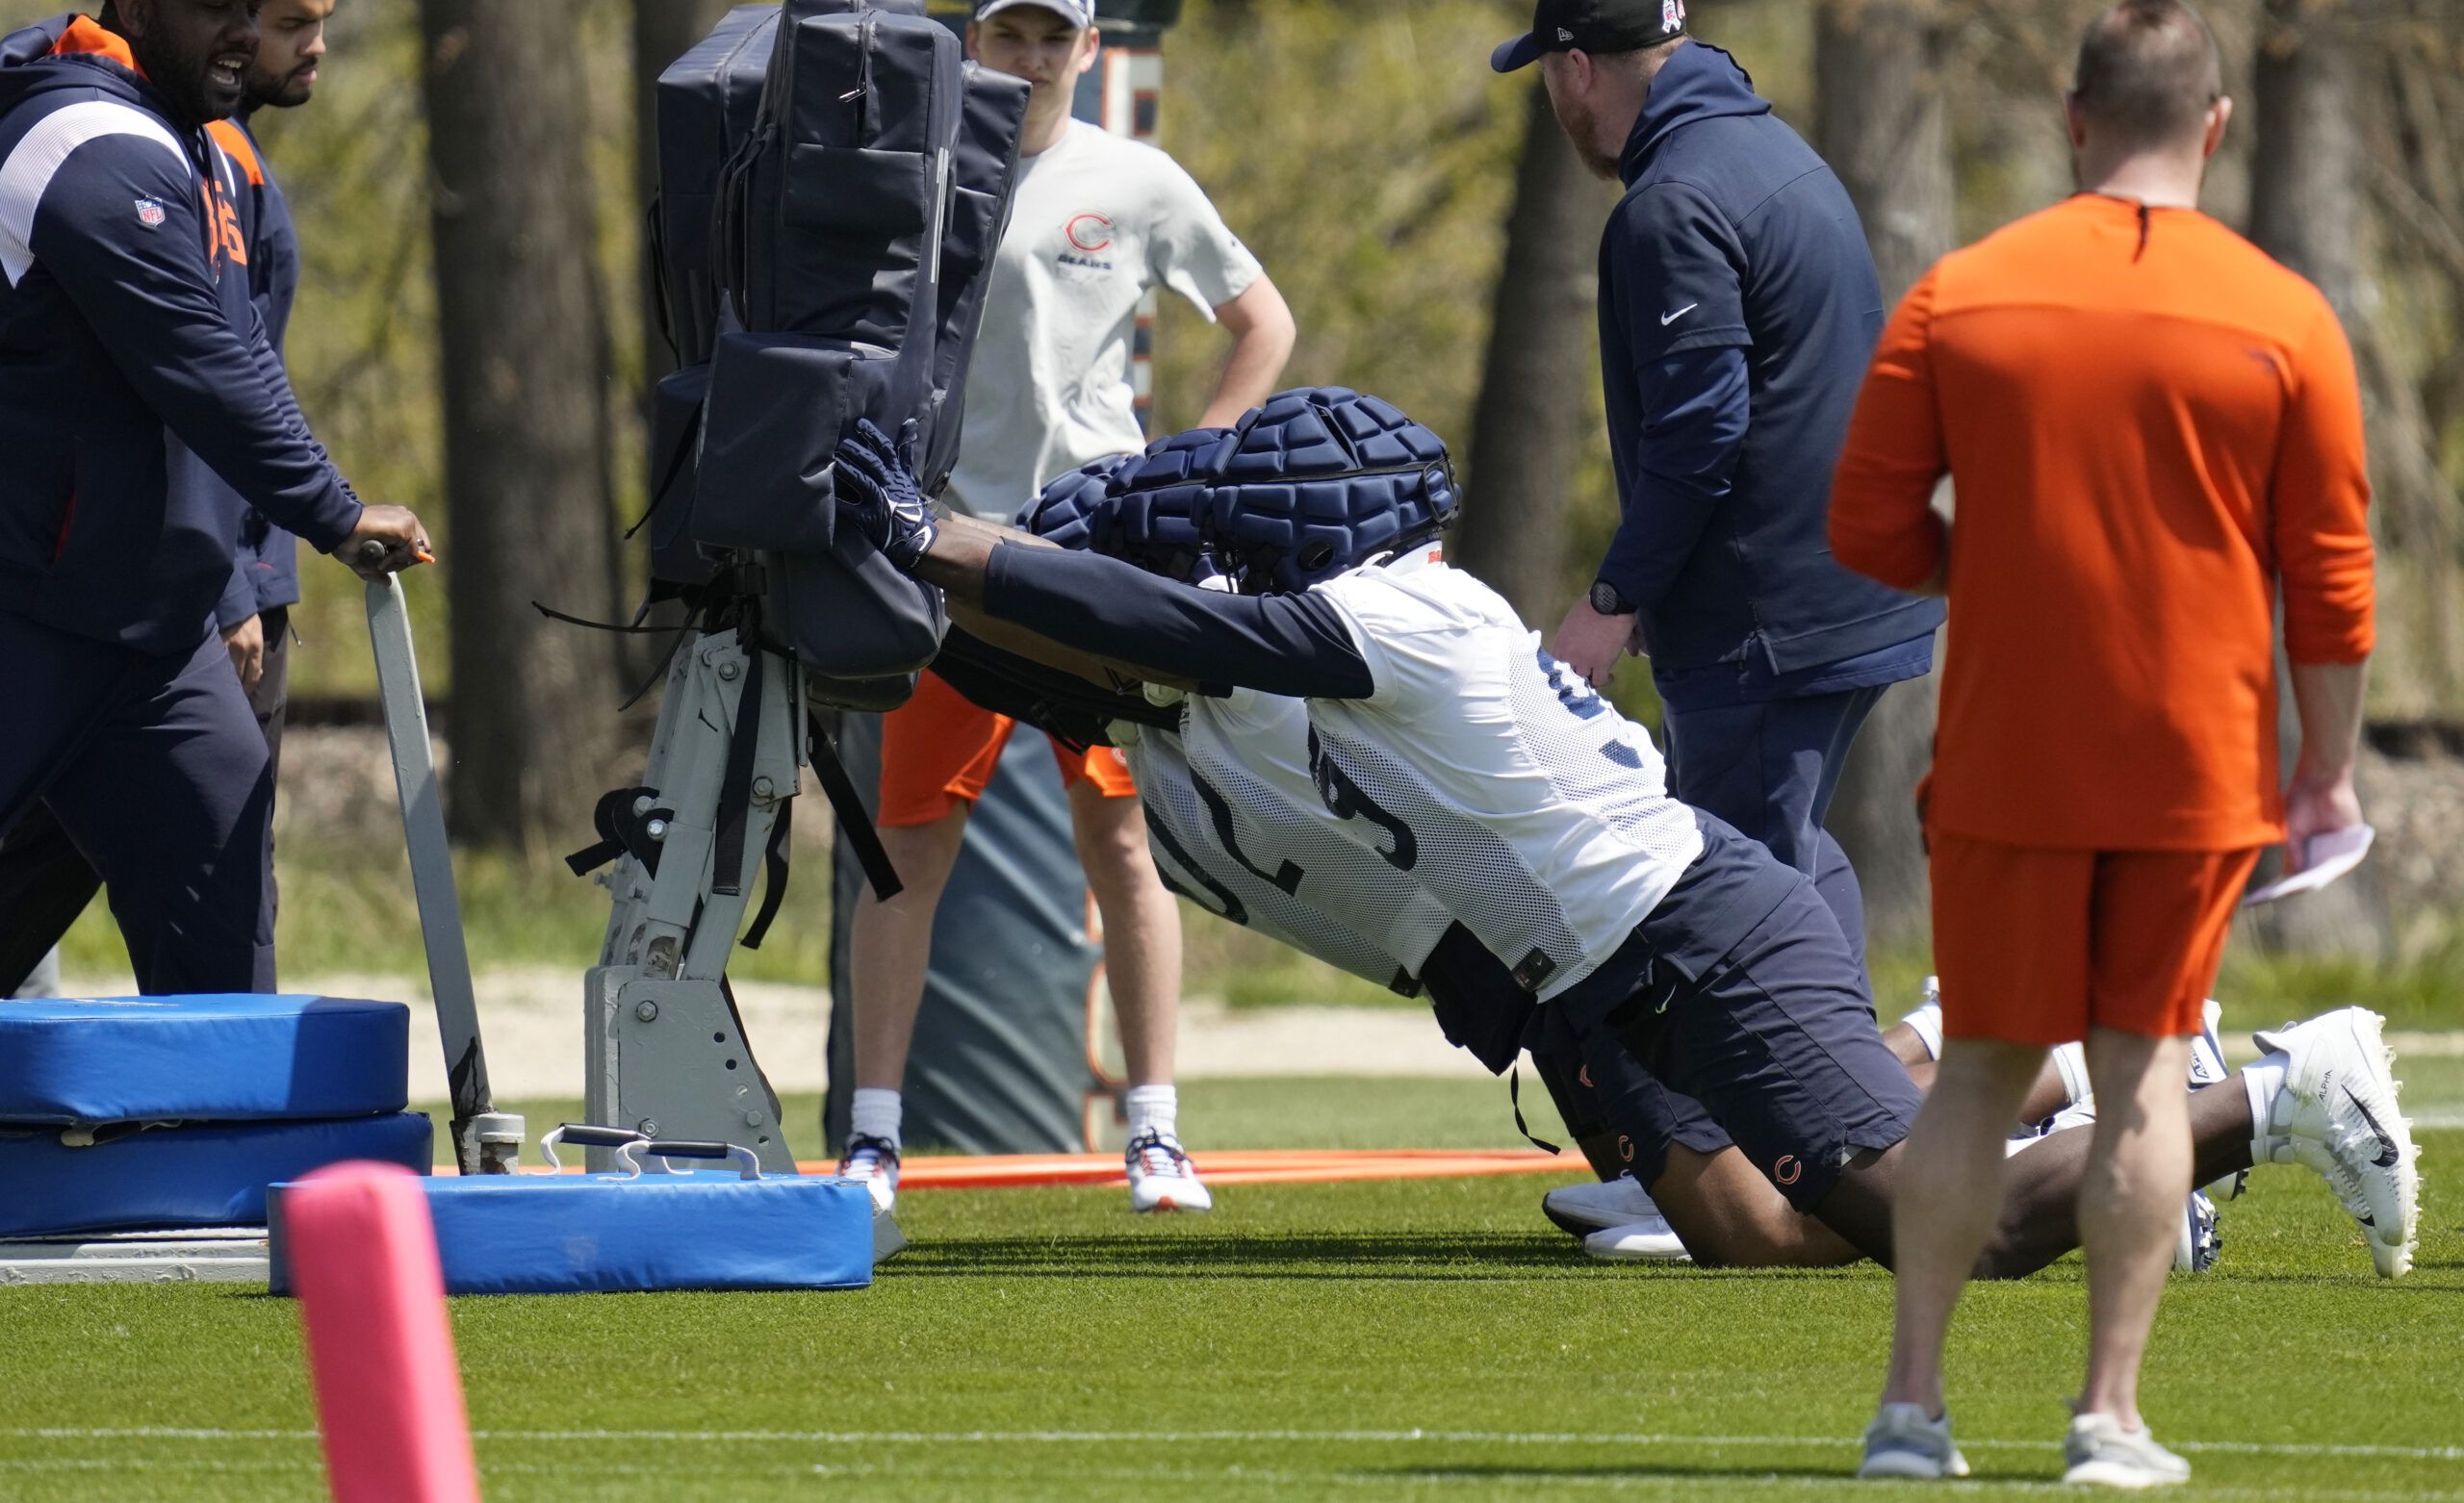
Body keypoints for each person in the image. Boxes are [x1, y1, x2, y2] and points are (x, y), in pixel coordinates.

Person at [830, 388, 2413, 1297]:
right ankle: (2035, 1053)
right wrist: (846, 563)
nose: (1228, 531)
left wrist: (930, 532)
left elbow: (1134, 616)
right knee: (1753, 1234)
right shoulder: (1270, 650)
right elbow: (1035, 649)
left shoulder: (1400, 614)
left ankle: (2275, 1091)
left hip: (1691, 933)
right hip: (1609, 971)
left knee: (1959, 1228)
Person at [1828, 0, 2400, 1487]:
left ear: (2078, 120)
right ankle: (2108, 1418)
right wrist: (2325, 769)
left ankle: (1910, 1407)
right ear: (2215, 126)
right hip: (2190, 760)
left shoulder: (1963, 291)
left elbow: (1865, 521)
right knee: (2143, 1075)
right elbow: (2333, 584)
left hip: (2009, 750)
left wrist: (2002, 564)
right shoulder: (2285, 313)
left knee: (1973, 1075)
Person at [838, 0, 1296, 1222]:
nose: (1031, 56)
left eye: (1055, 36)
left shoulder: (1134, 177)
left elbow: (1263, 318)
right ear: (971, 39)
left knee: (1123, 836)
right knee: (910, 848)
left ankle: (1155, 1131)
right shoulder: (921, 172)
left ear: (1089, 50)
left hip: (1092, 547)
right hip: (943, 547)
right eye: (1010, 32)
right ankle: (876, 1136)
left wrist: (1198, 468)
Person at [0, 0, 425, 999]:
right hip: (25, 611)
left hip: (152, 633)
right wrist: (334, 511)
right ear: (134, 6)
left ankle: (217, 1172)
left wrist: (230, 577)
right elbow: (201, 363)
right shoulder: (84, 140)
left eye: (250, 6)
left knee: (223, 941)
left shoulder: (197, 143)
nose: (240, 29)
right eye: (210, 8)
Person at [1490, 0, 1942, 971]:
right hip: (1852, 589)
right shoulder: (1774, 151)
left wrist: (1611, 598)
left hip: (1769, 625)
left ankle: (1841, 1128)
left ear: (1574, 70)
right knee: (1788, 862)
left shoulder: (1670, 203)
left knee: (1731, 901)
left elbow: (1701, 433)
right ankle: (1865, 1113)